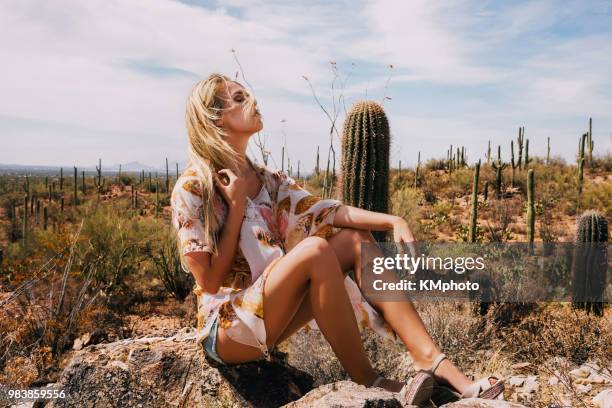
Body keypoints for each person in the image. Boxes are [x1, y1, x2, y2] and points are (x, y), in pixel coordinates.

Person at [170, 73, 504, 405]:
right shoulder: (193, 187)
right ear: (214, 118)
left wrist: (393, 220)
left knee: (353, 240)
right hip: (226, 332)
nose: (253, 101)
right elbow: (210, 282)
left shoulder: (267, 181)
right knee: (314, 249)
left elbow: (326, 211)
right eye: (240, 99)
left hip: (270, 313)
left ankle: (432, 359)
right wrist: (236, 204)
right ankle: (367, 378)